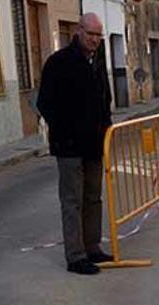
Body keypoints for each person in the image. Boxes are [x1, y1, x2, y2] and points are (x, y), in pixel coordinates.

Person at [37, 13, 113, 275]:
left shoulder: (97, 61)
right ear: (78, 31)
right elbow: (44, 103)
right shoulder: (59, 63)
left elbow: (105, 98)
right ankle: (75, 256)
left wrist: (106, 128)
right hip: (69, 147)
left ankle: (92, 247)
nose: (95, 40)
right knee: (72, 201)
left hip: (94, 146)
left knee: (93, 198)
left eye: (98, 36)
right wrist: (64, 131)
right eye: (91, 34)